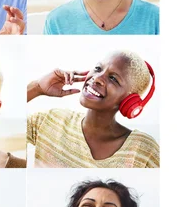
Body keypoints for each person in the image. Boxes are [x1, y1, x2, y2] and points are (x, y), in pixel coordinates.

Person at [27, 50, 159, 167]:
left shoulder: (143, 150)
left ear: (130, 102)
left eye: (113, 78)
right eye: (97, 68)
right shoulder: (51, 120)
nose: (97, 78)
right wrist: (37, 88)